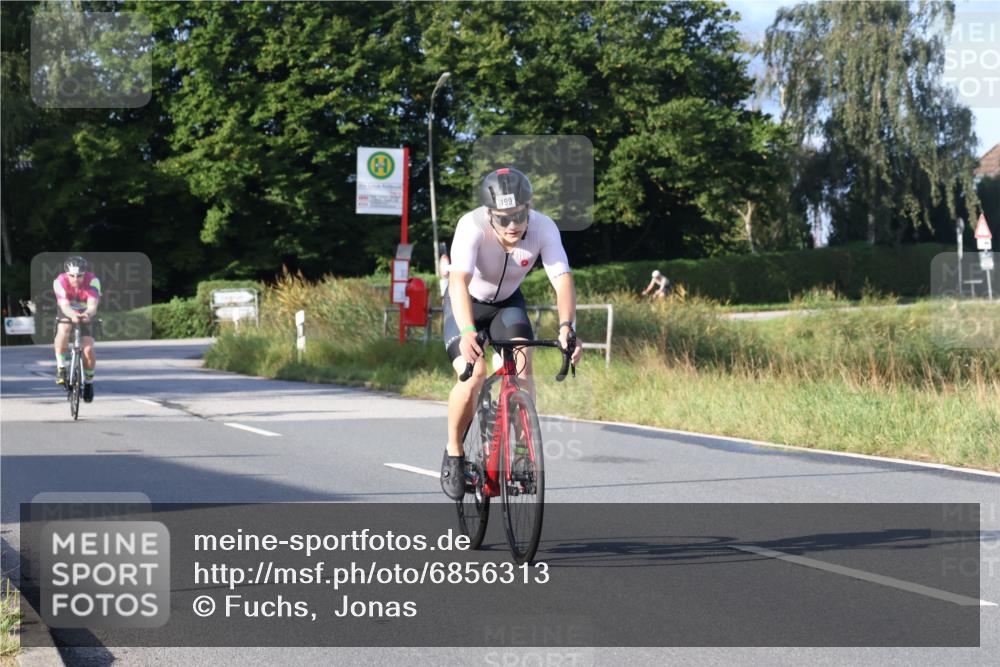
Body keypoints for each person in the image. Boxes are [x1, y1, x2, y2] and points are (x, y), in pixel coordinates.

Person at [440, 167, 583, 500]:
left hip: (507, 304)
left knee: (522, 360)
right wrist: (466, 331)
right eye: (503, 219)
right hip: (467, 305)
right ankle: (454, 452)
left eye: (520, 215)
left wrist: (567, 328)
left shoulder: (544, 227)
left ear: (529, 207)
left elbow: (562, 279)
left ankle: (520, 452)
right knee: (473, 375)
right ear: (489, 214)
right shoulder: (470, 226)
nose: (513, 225)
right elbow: (458, 281)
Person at [53, 256, 101, 402]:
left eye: (79, 276)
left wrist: (87, 314)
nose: (75, 279)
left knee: (87, 350)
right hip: (67, 310)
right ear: (66, 274)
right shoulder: (59, 282)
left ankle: (88, 383)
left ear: (84, 274)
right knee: (64, 328)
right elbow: (65, 306)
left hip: (87, 311)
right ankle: (61, 367)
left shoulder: (93, 281)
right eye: (72, 276)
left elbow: (92, 305)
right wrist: (73, 315)